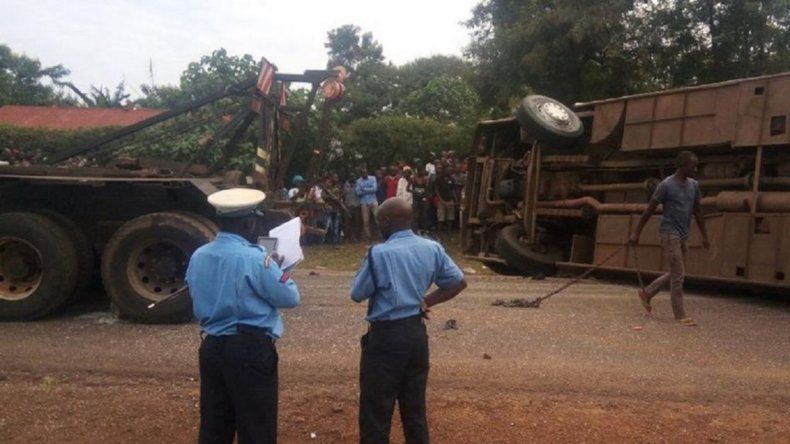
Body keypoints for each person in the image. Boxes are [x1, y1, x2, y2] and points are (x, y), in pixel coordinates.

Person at [186, 188, 301, 443]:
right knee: (257, 427)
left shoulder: (199, 255)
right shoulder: (255, 258)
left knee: (214, 426)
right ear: (250, 222)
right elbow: (290, 297)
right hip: (250, 349)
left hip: (212, 346)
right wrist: (280, 269)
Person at [350, 197, 467, 444]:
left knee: (376, 412)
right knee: (414, 411)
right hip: (416, 335)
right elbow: (458, 282)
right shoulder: (432, 247)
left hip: (385, 338)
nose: (379, 225)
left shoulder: (378, 253)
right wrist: (427, 301)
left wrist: (367, 263)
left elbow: (357, 293)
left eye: (379, 221)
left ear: (387, 222)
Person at [629, 150, 709, 326]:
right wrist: (636, 232)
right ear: (681, 166)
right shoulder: (666, 185)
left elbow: (698, 210)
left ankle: (647, 293)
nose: (696, 169)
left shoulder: (694, 185)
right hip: (669, 233)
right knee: (678, 275)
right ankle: (680, 315)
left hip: (683, 234)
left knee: (676, 273)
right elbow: (650, 209)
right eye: (692, 165)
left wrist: (704, 236)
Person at [356, 166, 379, 241]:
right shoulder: (358, 181)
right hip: (364, 203)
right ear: (361, 174)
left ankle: (381, 234)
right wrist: (369, 189)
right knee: (366, 221)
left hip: (373, 201)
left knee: (377, 218)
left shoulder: (373, 178)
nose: (364, 174)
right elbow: (358, 192)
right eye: (362, 173)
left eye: (365, 172)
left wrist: (364, 189)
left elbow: (375, 189)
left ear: (367, 173)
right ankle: (368, 237)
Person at [434, 165, 457, 235]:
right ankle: (439, 235)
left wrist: (455, 199)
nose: (450, 171)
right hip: (442, 201)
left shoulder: (451, 179)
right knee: (441, 219)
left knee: (450, 218)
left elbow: (453, 190)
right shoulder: (438, 179)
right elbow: (437, 191)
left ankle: (449, 234)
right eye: (448, 170)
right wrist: (442, 201)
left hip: (450, 200)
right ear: (445, 170)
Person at [411, 169, 430, 233]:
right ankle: (416, 229)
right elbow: (407, 189)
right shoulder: (413, 179)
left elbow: (427, 190)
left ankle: (424, 229)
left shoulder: (425, 179)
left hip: (423, 199)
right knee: (416, 215)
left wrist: (426, 198)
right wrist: (414, 191)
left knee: (424, 214)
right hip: (416, 199)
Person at [343, 176, 362, 242]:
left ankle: (357, 238)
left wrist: (355, 186)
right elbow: (345, 193)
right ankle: (346, 238)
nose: (352, 178)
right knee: (347, 223)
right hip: (348, 207)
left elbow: (360, 193)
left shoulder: (358, 184)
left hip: (356, 206)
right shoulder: (346, 184)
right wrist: (350, 187)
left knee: (358, 223)